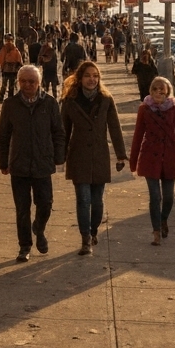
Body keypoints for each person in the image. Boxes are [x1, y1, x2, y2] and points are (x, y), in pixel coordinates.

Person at [0, 65, 66, 262]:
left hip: (43, 163)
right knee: (22, 208)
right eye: (24, 81)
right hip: (19, 164)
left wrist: (59, 157)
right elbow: (3, 135)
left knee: (45, 204)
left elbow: (58, 132)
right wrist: (3, 161)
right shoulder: (10, 104)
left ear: (39, 83)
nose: (27, 85)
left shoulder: (50, 103)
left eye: (32, 81)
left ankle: (40, 228)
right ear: (18, 82)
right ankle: (24, 246)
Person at [60, 61, 127, 256]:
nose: (92, 79)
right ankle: (85, 239)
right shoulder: (70, 100)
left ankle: (94, 230)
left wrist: (121, 154)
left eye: (95, 76)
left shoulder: (106, 99)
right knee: (83, 199)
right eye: (88, 76)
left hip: (99, 155)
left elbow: (114, 127)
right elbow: (64, 130)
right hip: (78, 155)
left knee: (97, 201)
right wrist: (59, 156)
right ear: (80, 79)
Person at [128, 77, 175, 246]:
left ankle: (163, 219)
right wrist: (133, 161)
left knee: (168, 197)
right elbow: (138, 136)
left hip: (169, 157)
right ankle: (156, 231)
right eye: (155, 89)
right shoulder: (144, 109)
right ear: (151, 91)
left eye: (162, 89)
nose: (159, 92)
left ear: (168, 92)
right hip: (149, 157)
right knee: (155, 196)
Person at [0, 35, 24, 103]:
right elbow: (19, 60)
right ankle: (10, 99)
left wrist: (0, 67)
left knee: (4, 85)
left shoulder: (4, 49)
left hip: (6, 70)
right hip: (13, 70)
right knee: (11, 85)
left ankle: (1, 99)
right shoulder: (15, 49)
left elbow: (0, 60)